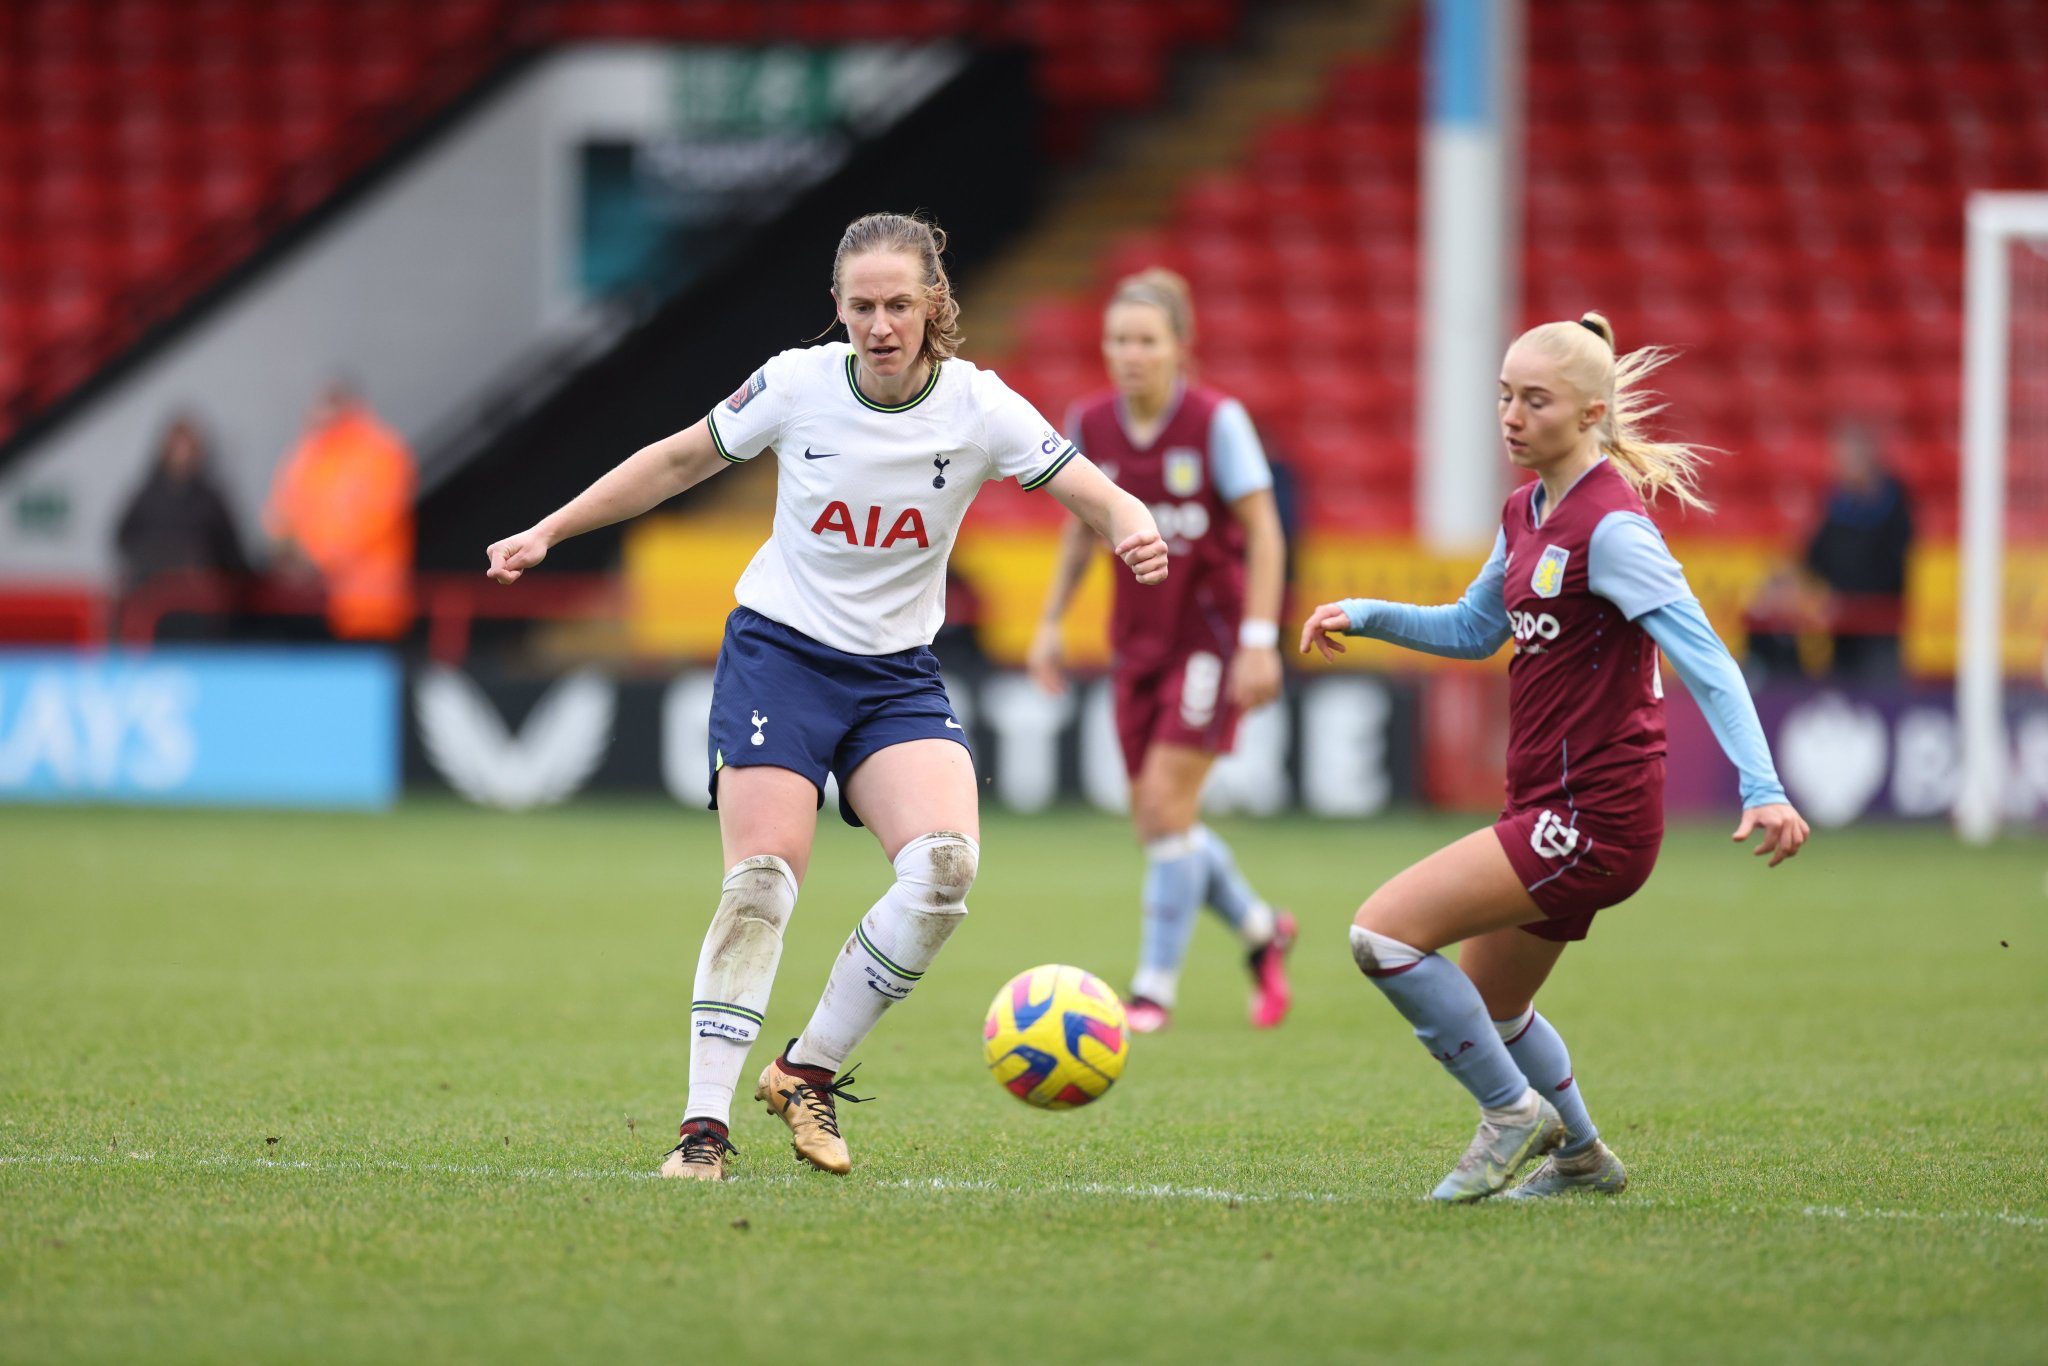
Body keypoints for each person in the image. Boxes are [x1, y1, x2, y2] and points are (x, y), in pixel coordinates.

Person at [484, 212, 1167, 1182]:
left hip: (895, 676)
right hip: (780, 657)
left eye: (898, 304)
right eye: (860, 306)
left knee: (943, 870)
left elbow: (1096, 494)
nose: (880, 324)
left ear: (934, 305)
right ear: (837, 310)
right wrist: (548, 530)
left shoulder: (979, 405)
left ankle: (805, 1069)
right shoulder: (797, 384)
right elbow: (679, 458)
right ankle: (701, 1132)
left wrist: (1133, 529)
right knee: (763, 879)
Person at [1299, 313, 1810, 1203]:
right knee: (1494, 1002)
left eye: (1535, 400)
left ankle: (1510, 1114)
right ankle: (1579, 1156)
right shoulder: (1524, 511)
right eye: (1504, 395)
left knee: (1381, 935)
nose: (1511, 415)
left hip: (1592, 817)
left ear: (1590, 415)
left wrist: (1763, 786)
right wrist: (1365, 612)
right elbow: (1472, 627)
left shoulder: (1613, 531)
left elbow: (1711, 662)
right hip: (1546, 805)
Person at [1027, 269, 1295, 1034]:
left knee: (1164, 806)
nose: (1130, 354)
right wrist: (1049, 622)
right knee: (1158, 822)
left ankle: (1152, 990)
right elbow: (1081, 527)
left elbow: (1266, 531)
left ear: (1180, 347)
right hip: (1135, 647)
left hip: (1206, 639)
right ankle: (1259, 927)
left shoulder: (1217, 422)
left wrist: (1258, 639)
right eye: (1118, 340)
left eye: (1146, 340)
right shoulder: (1090, 423)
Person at [264, 380, 416, 642]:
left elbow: (377, 518)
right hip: (311, 601)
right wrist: (285, 551)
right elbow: (282, 512)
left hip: (367, 606)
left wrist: (316, 557)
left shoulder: (379, 451)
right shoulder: (308, 453)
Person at [1804, 420, 1912, 681]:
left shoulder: (1893, 501)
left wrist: (1853, 592)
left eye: (1852, 456)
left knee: (1882, 694)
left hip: (1880, 625)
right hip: (1843, 629)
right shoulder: (1836, 503)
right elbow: (1814, 556)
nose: (1844, 464)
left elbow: (1894, 563)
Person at [115, 412, 250, 591]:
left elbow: (232, 555)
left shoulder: (210, 500)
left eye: (188, 448)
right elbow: (123, 538)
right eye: (178, 447)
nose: (183, 455)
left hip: (198, 601)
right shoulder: (149, 496)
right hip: (154, 597)